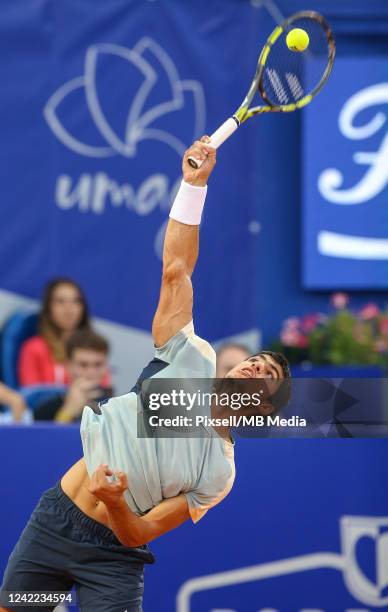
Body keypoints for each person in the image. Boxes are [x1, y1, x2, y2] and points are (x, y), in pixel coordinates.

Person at [0, 137, 290, 612]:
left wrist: (115, 501)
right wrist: (193, 186)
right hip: (56, 523)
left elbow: (140, 531)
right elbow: (177, 269)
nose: (257, 365)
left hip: (114, 558)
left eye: (269, 375)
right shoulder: (190, 357)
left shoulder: (218, 474)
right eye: (256, 359)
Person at [18, 278, 91, 386]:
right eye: (60, 301)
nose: (69, 309)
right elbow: (32, 397)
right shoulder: (34, 348)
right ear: (48, 308)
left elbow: (103, 394)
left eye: (76, 301)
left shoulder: (93, 348)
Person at [34, 329, 112, 423]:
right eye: (83, 365)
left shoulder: (119, 407)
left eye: (98, 364)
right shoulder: (44, 411)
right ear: (69, 366)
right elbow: (45, 438)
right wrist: (68, 412)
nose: (91, 372)